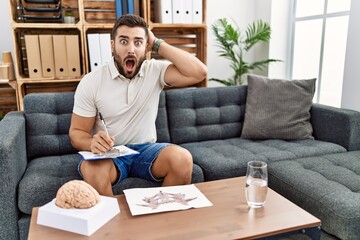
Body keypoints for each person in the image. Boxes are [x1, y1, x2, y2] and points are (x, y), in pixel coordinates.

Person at [69, 14, 207, 196]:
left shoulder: (155, 70)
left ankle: (164, 221)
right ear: (113, 46)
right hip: (111, 154)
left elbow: (199, 72)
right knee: (93, 169)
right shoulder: (92, 82)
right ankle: (113, 224)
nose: (131, 49)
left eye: (138, 42)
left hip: (146, 151)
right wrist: (92, 142)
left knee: (182, 158)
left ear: (146, 47)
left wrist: (157, 42)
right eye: (124, 41)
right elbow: (77, 133)